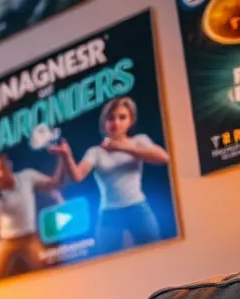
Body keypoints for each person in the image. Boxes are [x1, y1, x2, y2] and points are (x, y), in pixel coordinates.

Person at [49, 96, 170, 255]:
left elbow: (163, 157)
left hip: (138, 207)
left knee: (156, 253)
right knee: (106, 260)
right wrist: (66, 155)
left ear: (131, 120)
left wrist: (122, 147)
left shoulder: (139, 141)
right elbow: (77, 177)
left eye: (122, 117)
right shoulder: (95, 152)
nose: (116, 123)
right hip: (109, 214)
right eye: (111, 118)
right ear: (104, 123)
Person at [0, 153, 64, 282]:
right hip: (6, 241)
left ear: (9, 166)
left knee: (47, 273)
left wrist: (63, 157)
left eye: (2, 168)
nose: (0, 175)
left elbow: (54, 183)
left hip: (29, 238)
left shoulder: (27, 177)